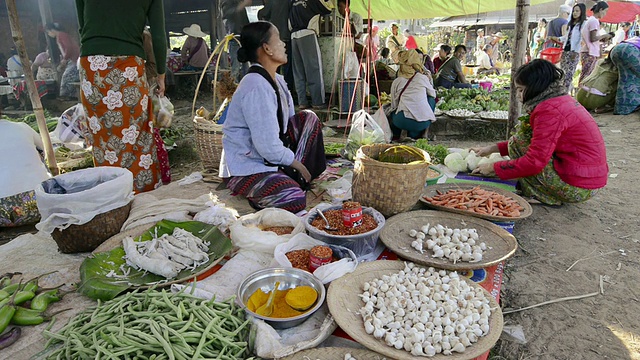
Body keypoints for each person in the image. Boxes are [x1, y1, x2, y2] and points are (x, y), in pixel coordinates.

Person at [220, 21, 326, 214]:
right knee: (293, 198)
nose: (284, 43)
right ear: (267, 48)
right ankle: (276, 185)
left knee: (308, 118)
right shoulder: (255, 86)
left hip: (270, 156)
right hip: (247, 166)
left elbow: (287, 126)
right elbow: (266, 146)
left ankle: (288, 176)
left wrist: (293, 159)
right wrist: (296, 164)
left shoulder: (277, 80)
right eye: (278, 38)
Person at [472, 59, 607, 206]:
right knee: (519, 140)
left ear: (536, 88)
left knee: (519, 143)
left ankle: (541, 195)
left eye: (521, 90)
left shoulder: (549, 112)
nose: (518, 95)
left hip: (579, 186)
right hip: (588, 179)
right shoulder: (559, 100)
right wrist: (491, 149)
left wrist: (493, 168)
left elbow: (534, 162)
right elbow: (539, 142)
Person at [75, 0, 167, 193]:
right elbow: (158, 35)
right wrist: (161, 75)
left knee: (102, 136)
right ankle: (141, 194)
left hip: (92, 65)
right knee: (137, 133)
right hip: (129, 65)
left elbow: (83, 26)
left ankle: (111, 194)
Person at [0, 119, 50, 227]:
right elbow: (43, 151)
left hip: (3, 214)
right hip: (44, 202)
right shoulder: (22, 127)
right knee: (38, 154)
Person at [289, 0, 333, 109]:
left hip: (293, 36)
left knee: (298, 72)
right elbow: (328, 8)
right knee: (314, 69)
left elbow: (289, 22)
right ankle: (318, 102)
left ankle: (302, 102)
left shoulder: (293, 2)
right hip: (308, 33)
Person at [143, 28, 171, 185]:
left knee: (151, 134)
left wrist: (130, 72)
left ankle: (161, 178)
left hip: (144, 91)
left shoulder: (145, 36)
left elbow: (153, 66)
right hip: (135, 91)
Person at [389, 50, 436, 140]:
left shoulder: (397, 81)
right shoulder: (422, 78)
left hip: (400, 121)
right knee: (431, 99)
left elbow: (393, 105)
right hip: (422, 123)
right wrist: (429, 81)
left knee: (398, 106)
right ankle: (425, 134)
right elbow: (433, 94)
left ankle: (403, 132)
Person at [258, 0, 293, 91]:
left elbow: (261, 13)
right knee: (287, 68)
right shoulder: (290, 2)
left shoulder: (272, 2)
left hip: (274, 39)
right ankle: (288, 92)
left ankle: (273, 90)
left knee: (274, 66)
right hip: (287, 37)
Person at [579, 1, 613, 84]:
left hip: (588, 51)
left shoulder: (591, 20)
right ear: (601, 10)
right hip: (589, 52)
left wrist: (603, 38)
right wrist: (605, 35)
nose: (605, 14)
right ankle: (580, 93)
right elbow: (593, 38)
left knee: (586, 74)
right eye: (605, 11)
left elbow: (593, 38)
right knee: (586, 76)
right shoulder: (594, 21)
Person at [45, 23, 80, 99]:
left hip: (74, 59)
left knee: (66, 77)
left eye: (48, 32)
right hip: (73, 59)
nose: (49, 34)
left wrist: (65, 59)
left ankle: (66, 97)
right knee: (71, 78)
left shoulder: (61, 35)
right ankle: (72, 96)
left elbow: (69, 47)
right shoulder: (61, 36)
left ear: (52, 30)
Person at [559, 3, 586, 92]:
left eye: (577, 11)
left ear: (582, 12)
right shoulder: (571, 24)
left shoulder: (583, 24)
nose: (575, 13)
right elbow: (566, 37)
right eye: (574, 11)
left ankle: (565, 93)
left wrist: (576, 51)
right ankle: (565, 91)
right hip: (566, 50)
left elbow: (581, 39)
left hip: (574, 51)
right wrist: (557, 38)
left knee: (569, 74)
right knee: (563, 72)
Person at [610, 37, 640, 115]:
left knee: (626, 78)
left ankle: (622, 108)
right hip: (631, 51)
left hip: (616, 50)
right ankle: (631, 105)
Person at [222, 0, 251, 82]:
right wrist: (241, 6)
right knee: (236, 68)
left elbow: (246, 22)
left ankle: (247, 87)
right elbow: (228, 13)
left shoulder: (239, 4)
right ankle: (234, 89)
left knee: (247, 67)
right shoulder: (226, 3)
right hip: (234, 38)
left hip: (244, 38)